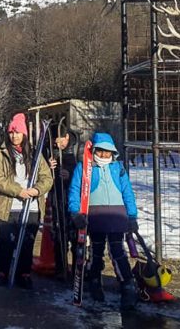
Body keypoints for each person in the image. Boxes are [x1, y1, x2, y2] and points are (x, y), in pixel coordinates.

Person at [68, 132, 139, 310]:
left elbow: (127, 193)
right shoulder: (84, 168)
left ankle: (127, 286)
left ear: (113, 153)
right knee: (96, 252)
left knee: (117, 252)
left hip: (116, 216)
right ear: (94, 151)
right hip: (95, 216)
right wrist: (75, 213)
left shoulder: (118, 168)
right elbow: (75, 191)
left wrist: (132, 216)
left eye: (108, 152)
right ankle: (94, 281)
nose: (104, 156)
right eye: (100, 152)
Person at [0, 113, 52, 289]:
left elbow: (47, 177)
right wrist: (19, 191)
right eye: (11, 132)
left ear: (24, 134)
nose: (14, 136)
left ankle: (24, 272)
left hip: (30, 207)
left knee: (27, 242)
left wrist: (37, 189)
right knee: (5, 241)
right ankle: (2, 271)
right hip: (7, 206)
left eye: (17, 132)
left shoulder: (34, 154)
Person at [46, 122, 79, 280]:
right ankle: (61, 267)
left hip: (74, 198)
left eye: (60, 141)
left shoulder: (77, 150)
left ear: (66, 137)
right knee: (59, 233)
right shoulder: (50, 150)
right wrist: (48, 167)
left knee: (75, 234)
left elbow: (85, 173)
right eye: (55, 142)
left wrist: (71, 175)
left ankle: (78, 268)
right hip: (57, 196)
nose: (57, 145)